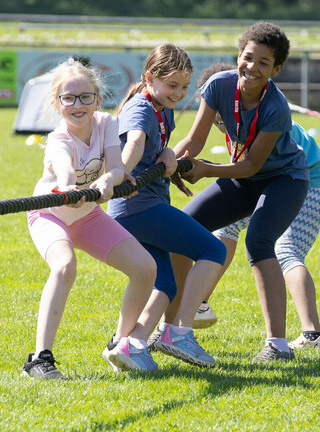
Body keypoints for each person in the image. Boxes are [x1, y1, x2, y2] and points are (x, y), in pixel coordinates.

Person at [169, 22, 310, 362]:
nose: (252, 67)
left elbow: (251, 167)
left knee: (258, 241)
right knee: (180, 231)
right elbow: (196, 139)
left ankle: (277, 346)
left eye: (264, 62)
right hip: (244, 174)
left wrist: (206, 170)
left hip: (284, 179)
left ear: (276, 69)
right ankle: (171, 330)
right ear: (238, 56)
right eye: (248, 57)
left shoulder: (277, 107)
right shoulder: (218, 85)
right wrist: (170, 161)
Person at [192, 62, 320, 351]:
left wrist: (207, 169)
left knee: (286, 250)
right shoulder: (235, 119)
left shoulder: (268, 115)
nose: (217, 119)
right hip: (270, 181)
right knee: (229, 225)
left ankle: (313, 336)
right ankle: (200, 304)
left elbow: (256, 167)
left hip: (316, 183)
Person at [22, 60, 158, 379]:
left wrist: (108, 182)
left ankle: (121, 344)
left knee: (145, 267)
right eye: (69, 98)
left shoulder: (106, 123)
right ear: (56, 104)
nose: (78, 104)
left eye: (86, 97)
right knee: (65, 266)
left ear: (98, 99)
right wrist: (71, 186)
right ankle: (39, 359)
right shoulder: (58, 139)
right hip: (50, 213)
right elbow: (65, 169)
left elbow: (114, 166)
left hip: (88, 214)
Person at [106, 43, 227, 369]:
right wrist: (124, 174)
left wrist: (169, 159)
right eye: (172, 85)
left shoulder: (161, 106)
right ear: (149, 78)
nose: (179, 92)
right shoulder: (142, 110)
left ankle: (131, 344)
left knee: (167, 282)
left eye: (184, 87)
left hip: (140, 208)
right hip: (138, 208)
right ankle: (178, 332)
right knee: (213, 250)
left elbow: (155, 150)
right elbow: (133, 144)